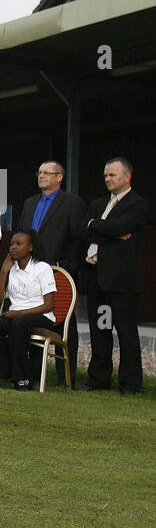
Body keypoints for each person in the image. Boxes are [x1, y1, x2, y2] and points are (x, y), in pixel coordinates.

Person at [78, 157, 149, 395]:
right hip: (97, 280)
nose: (108, 179)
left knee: (126, 333)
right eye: (106, 175)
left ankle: (130, 384)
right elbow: (82, 230)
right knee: (100, 330)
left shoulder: (137, 204)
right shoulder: (98, 204)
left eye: (113, 175)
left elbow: (119, 227)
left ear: (127, 177)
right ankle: (99, 379)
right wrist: (106, 230)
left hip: (121, 283)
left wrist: (96, 227)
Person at [16, 159, 85, 385]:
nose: (42, 176)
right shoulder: (30, 202)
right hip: (29, 271)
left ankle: (67, 375)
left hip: (57, 271)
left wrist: (67, 267)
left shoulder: (72, 203)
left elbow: (78, 239)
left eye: (47, 173)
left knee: (65, 321)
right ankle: (33, 372)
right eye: (40, 172)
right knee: (31, 317)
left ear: (59, 177)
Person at [0, 230, 57, 390]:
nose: (13, 247)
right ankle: (7, 372)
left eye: (19, 244)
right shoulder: (11, 269)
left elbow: (49, 305)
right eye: (12, 244)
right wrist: (3, 272)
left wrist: (20, 313)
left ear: (30, 247)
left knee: (19, 323)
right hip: (16, 316)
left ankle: (23, 378)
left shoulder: (42, 268)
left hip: (41, 315)